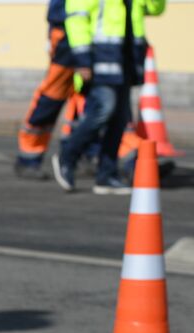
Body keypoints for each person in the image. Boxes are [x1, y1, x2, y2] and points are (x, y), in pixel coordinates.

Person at [52, 0, 164, 193]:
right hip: (100, 58)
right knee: (103, 109)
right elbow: (76, 20)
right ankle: (67, 157)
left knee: (119, 119)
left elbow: (155, 8)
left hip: (127, 58)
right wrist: (82, 59)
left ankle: (106, 175)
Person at [15, 0, 79, 178]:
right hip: (67, 32)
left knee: (86, 98)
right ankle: (29, 157)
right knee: (53, 95)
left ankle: (81, 155)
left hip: (92, 34)